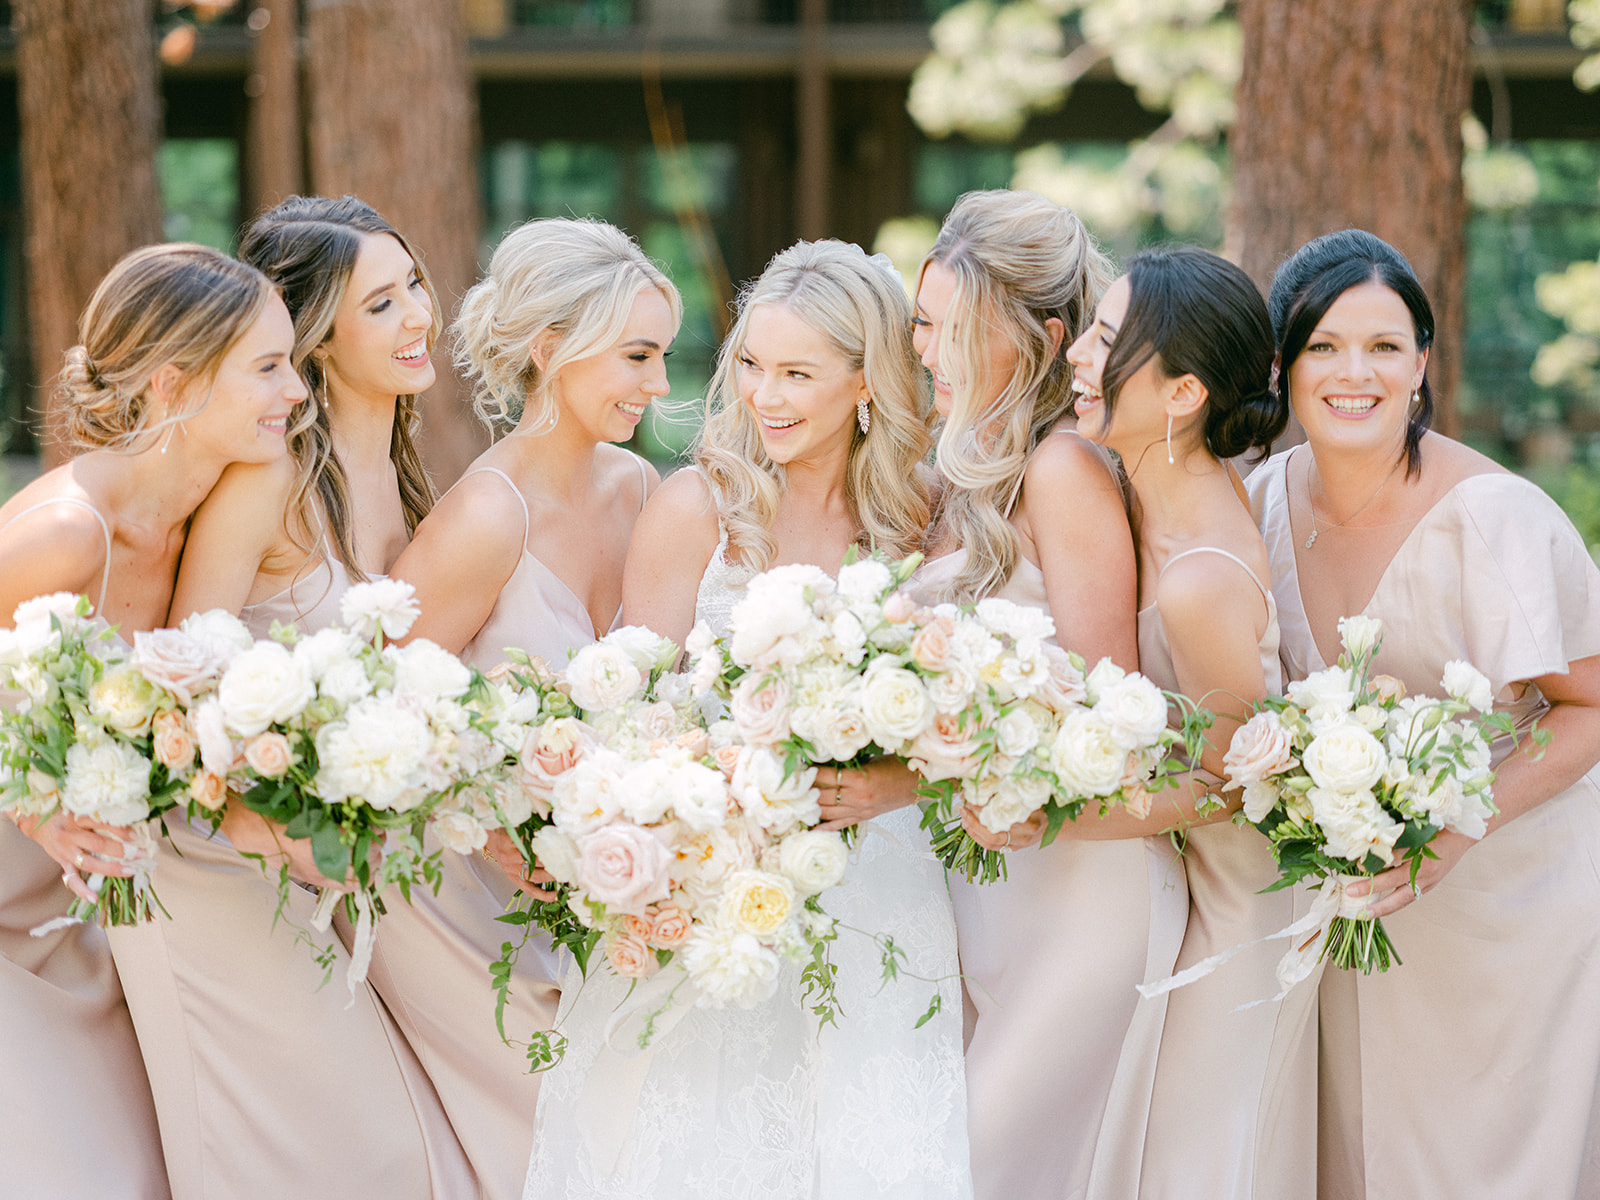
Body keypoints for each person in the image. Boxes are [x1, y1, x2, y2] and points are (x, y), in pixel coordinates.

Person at [526, 239, 971, 1198]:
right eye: (754, 367)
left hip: (881, 884)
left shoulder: (926, 518)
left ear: (865, 382)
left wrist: (893, 784)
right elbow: (635, 711)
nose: (767, 397)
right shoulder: (698, 507)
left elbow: (961, 722)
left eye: (798, 374)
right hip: (717, 883)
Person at [1249, 228, 1600, 1199]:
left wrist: (1451, 827)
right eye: (1322, 346)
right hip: (1351, 924)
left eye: (1382, 346)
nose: (1351, 372)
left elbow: (1590, 707)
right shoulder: (1255, 508)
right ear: (1282, 365)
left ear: (1420, 365)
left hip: (1505, 911)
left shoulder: (1497, 516)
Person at [141, 196, 473, 1199]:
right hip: (228, 857)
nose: (419, 314)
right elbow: (183, 667)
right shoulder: (270, 478)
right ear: (313, 335)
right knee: (324, 1151)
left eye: (414, 283)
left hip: (340, 867)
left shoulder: (414, 482)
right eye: (381, 303)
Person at [852, 188, 1178, 1200]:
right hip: (984, 896)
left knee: (980, 1171)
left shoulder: (1063, 471)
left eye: (957, 332)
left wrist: (912, 780)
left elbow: (1106, 721)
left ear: (1040, 340)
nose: (930, 356)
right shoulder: (952, 481)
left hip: (1081, 898)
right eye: (922, 327)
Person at [0, 242, 305, 1199]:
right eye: (267, 367)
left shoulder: (216, 515)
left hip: (107, 915)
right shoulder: (65, 533)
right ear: (174, 384)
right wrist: (34, 810)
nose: (294, 391)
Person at [382, 216, 679, 1200]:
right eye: (637, 356)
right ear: (550, 348)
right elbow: (379, 709)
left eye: (662, 356)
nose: (658, 386)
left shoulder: (641, 490)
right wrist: (503, 829)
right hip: (479, 902)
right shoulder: (484, 517)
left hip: (614, 887)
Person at [1060, 245, 1313, 1199]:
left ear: (1182, 394)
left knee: (1199, 1166)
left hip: (1235, 909)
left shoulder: (1202, 575)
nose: (1080, 357)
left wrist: (1048, 818)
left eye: (1107, 341)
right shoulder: (1141, 497)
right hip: (1171, 885)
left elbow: (1222, 787)